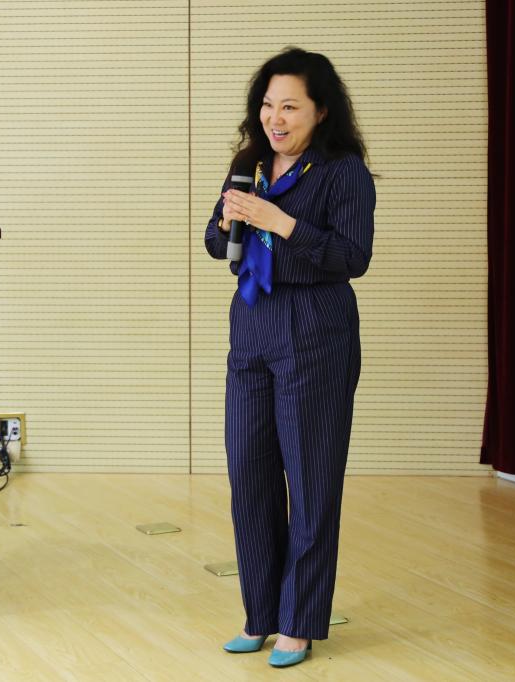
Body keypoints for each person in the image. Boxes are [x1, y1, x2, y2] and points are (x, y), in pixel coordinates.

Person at [204, 47, 375, 669]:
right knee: (248, 474)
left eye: (290, 107)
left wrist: (283, 223)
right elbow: (213, 241)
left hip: (316, 332)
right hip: (252, 329)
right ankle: (260, 615)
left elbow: (353, 257)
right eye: (268, 105)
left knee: (309, 480)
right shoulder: (248, 164)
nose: (275, 118)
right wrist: (229, 222)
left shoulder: (343, 172)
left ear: (321, 111)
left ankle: (299, 623)